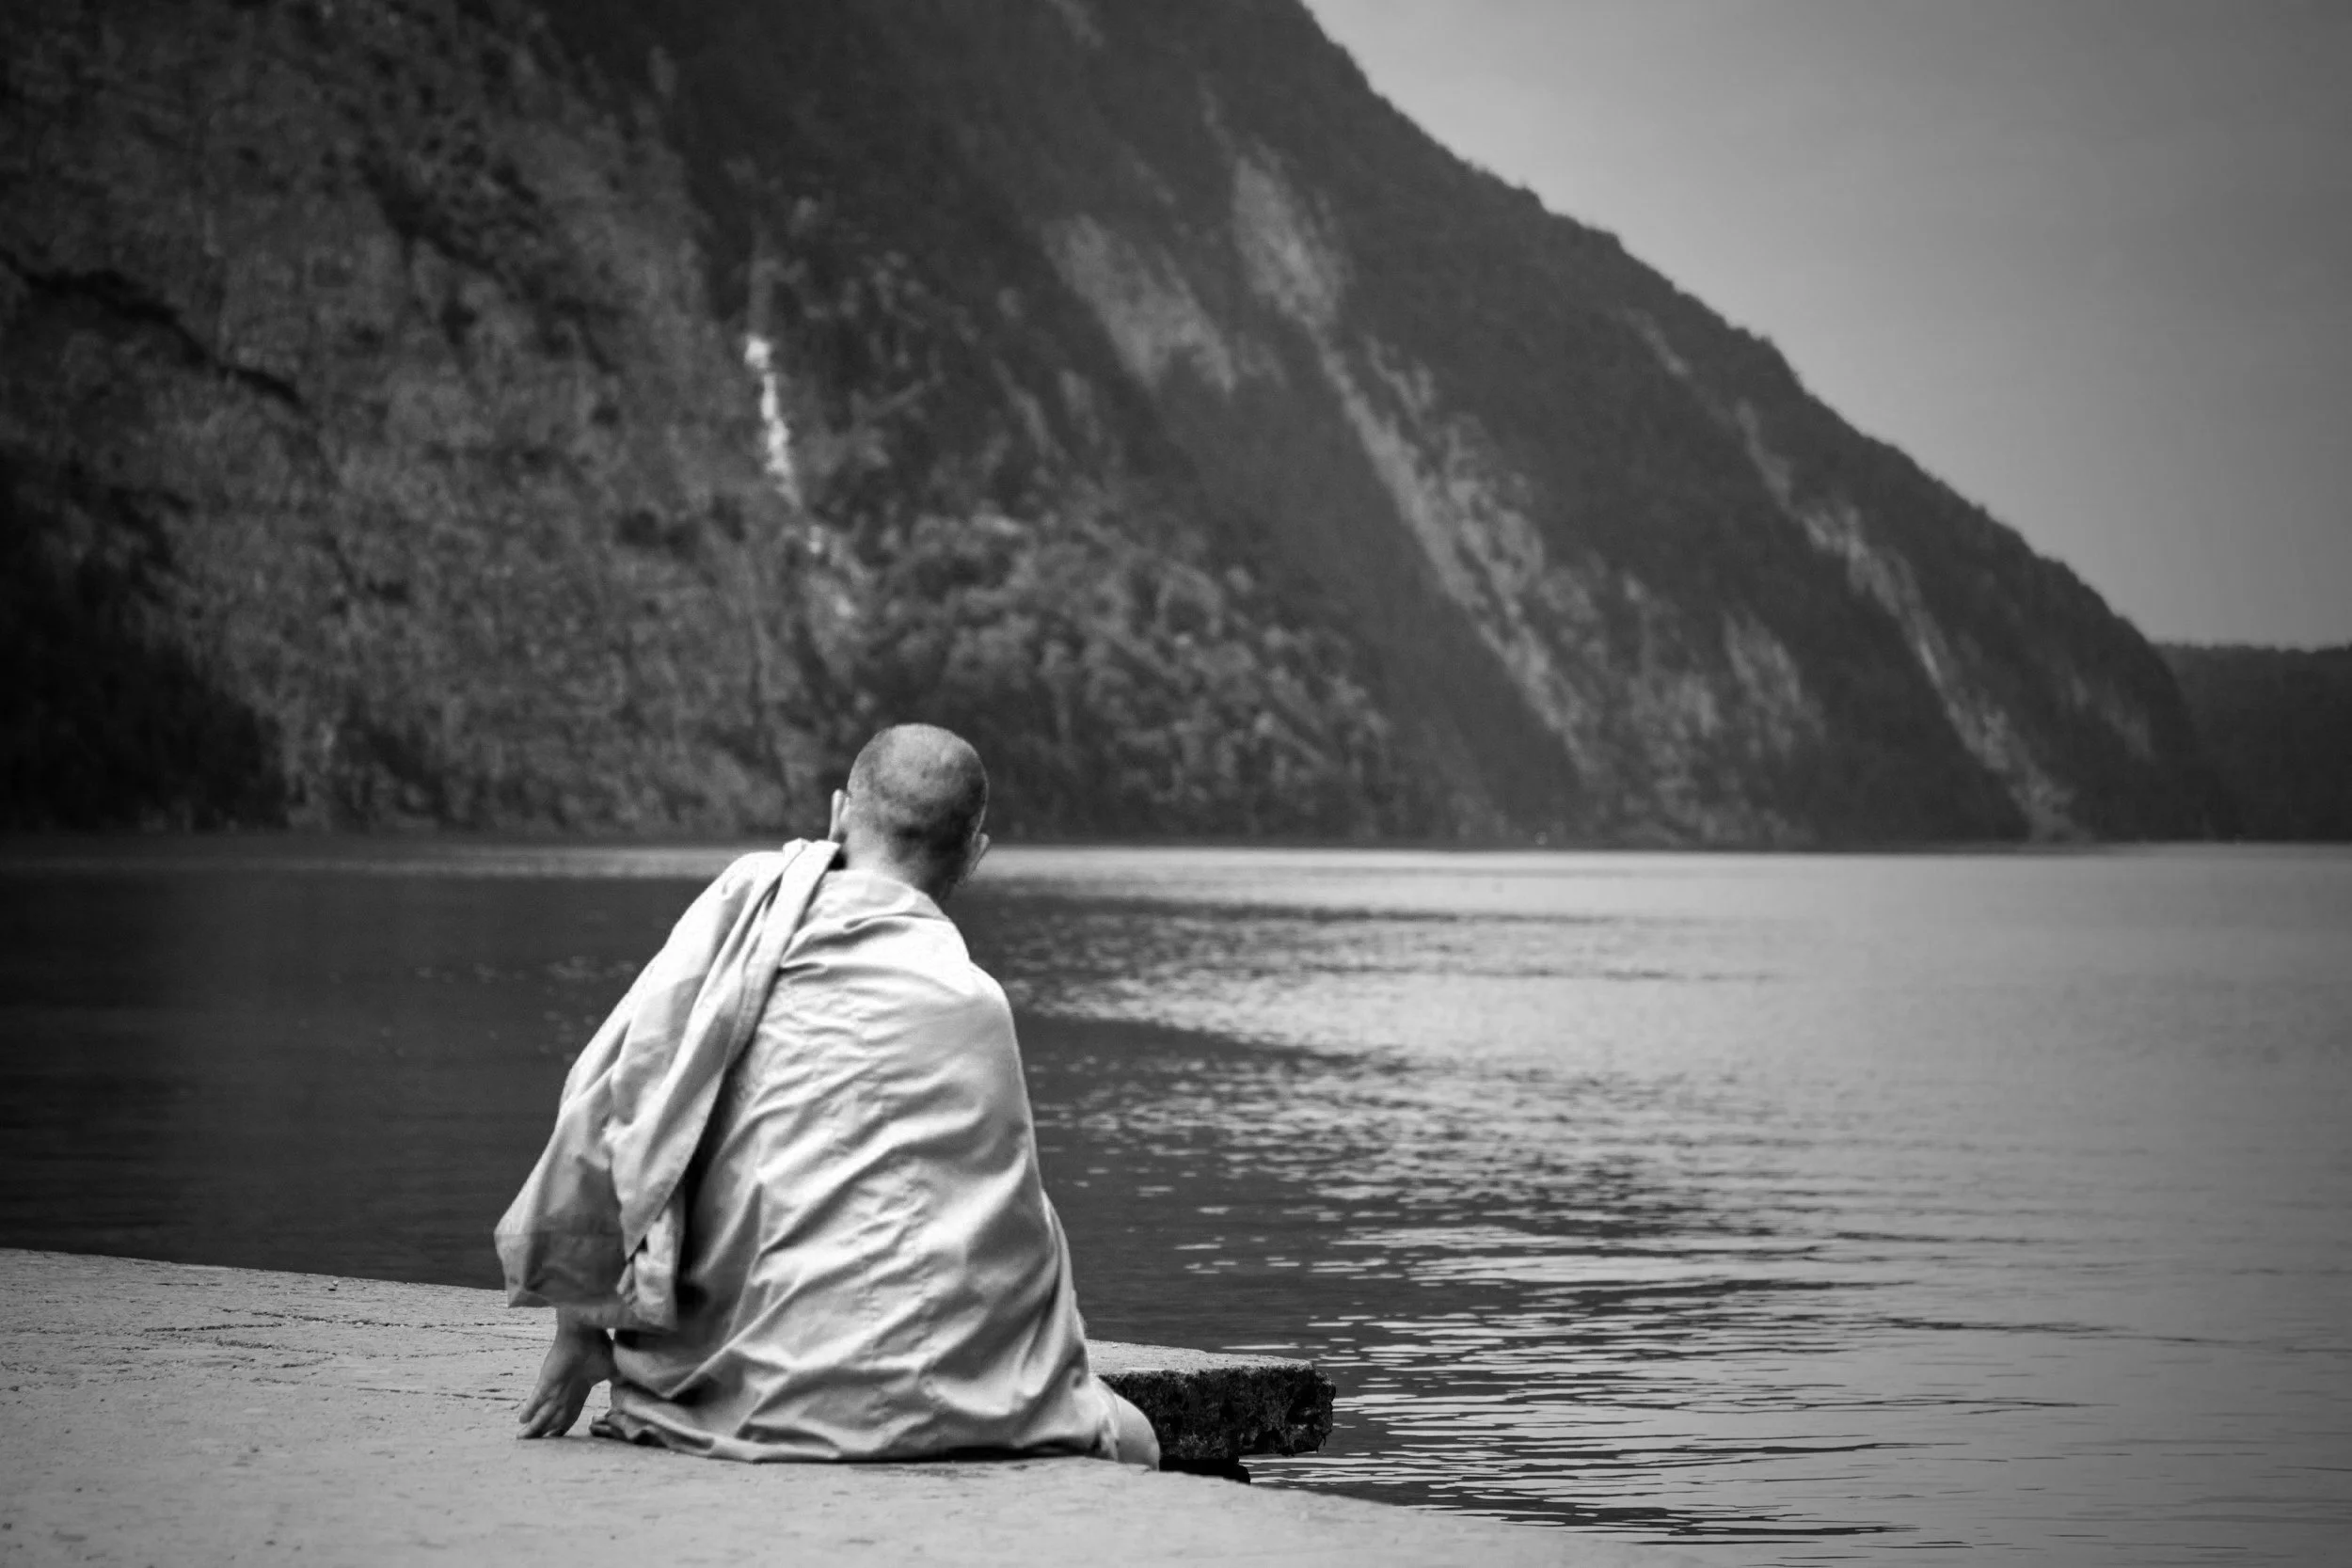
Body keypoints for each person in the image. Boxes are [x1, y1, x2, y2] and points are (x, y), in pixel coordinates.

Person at [510, 723, 1159, 1466]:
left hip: (744, 1390)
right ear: (974, 857)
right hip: (959, 1400)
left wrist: (581, 1334)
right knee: (1134, 1441)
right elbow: (1014, 1235)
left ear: (838, 813)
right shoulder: (976, 1004)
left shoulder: (740, 928)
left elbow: (607, 1103)